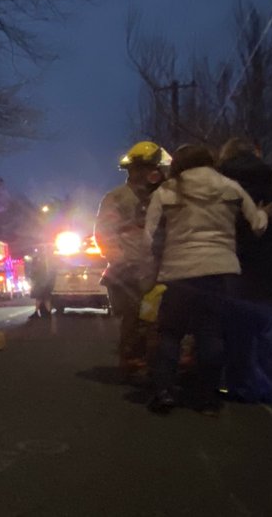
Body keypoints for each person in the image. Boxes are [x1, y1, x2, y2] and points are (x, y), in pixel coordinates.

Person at [144, 145, 270, 415]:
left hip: (178, 272)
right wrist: (265, 215)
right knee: (210, 333)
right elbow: (256, 225)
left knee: (170, 333)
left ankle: (164, 392)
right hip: (217, 271)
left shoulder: (167, 190)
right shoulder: (229, 186)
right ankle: (207, 399)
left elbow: (149, 235)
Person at [217, 138, 272, 403]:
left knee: (237, 329)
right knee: (266, 329)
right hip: (270, 267)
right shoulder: (270, 182)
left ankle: (240, 385)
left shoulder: (222, 181)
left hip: (235, 262)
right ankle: (268, 387)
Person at [95, 140, 170, 383]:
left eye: (153, 167)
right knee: (134, 317)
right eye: (145, 167)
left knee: (156, 320)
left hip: (160, 268)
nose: (150, 173)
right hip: (128, 269)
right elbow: (104, 232)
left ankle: (151, 362)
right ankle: (132, 362)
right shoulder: (116, 198)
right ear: (133, 169)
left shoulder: (164, 196)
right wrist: (119, 259)